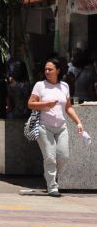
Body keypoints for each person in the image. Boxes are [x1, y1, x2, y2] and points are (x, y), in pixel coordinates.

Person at [28, 58, 85, 197]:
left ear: (58, 70)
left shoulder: (64, 86)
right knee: (49, 157)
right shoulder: (40, 85)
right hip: (44, 126)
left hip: (61, 127)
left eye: (50, 69)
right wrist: (45, 105)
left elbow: (68, 107)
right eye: (46, 69)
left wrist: (78, 122)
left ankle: (49, 174)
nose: (47, 71)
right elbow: (30, 104)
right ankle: (52, 186)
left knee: (63, 156)